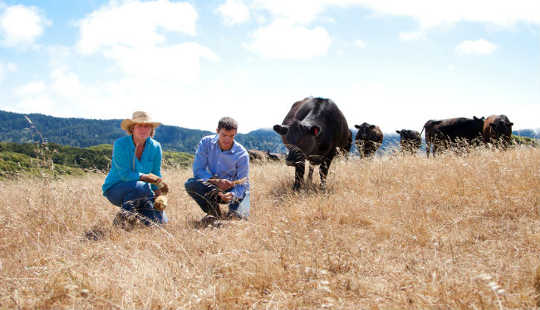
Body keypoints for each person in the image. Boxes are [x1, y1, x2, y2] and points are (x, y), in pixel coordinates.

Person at [102, 111, 168, 228]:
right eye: (139, 125)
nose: (143, 129)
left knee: (160, 223)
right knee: (140, 187)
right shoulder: (120, 144)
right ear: (132, 128)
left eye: (147, 126)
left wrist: (159, 196)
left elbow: (156, 173)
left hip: (143, 191)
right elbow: (124, 174)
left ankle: (133, 214)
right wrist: (145, 177)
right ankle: (121, 225)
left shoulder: (156, 147)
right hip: (115, 189)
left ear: (151, 129)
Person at [185, 117, 250, 223]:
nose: (227, 140)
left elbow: (243, 183)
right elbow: (198, 170)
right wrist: (215, 181)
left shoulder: (242, 154)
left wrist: (232, 195)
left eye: (231, 136)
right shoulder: (206, 143)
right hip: (213, 188)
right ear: (217, 131)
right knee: (191, 184)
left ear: (236, 134)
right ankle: (214, 213)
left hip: (234, 191)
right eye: (224, 135)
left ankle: (233, 213)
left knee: (237, 221)